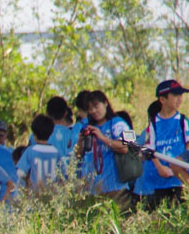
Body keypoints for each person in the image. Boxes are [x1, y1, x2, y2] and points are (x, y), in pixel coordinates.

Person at [75, 89, 134, 211]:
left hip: (117, 188)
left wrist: (101, 137)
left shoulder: (118, 123)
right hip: (94, 190)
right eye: (90, 108)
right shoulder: (88, 127)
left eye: (96, 106)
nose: (93, 111)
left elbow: (125, 148)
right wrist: (80, 141)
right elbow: (78, 156)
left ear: (105, 103)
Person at [136, 79, 187, 210]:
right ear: (163, 99)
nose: (179, 99)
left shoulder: (182, 120)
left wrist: (180, 166)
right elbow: (149, 148)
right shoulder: (153, 123)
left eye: (180, 95)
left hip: (179, 180)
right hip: (158, 180)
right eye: (175, 95)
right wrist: (160, 168)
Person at [15, 114, 65, 190]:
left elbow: (21, 173)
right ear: (50, 133)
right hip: (52, 195)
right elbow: (63, 174)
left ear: (34, 134)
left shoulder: (30, 151)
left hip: (35, 195)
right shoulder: (56, 152)